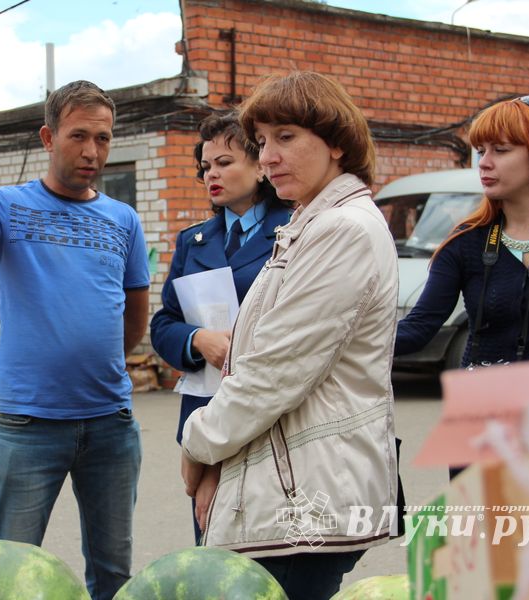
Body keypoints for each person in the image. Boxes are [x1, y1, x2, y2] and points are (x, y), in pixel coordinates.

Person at [0, 80, 150, 600]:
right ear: (48, 137)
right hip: (27, 427)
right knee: (8, 575)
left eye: (104, 139)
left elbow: (134, 317)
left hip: (110, 425)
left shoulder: (123, 220)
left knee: (113, 573)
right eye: (78, 136)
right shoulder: (7, 207)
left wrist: (100, 361)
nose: (92, 151)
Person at [179, 71, 399, 600]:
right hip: (287, 481)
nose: (269, 156)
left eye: (287, 137)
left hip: (306, 494)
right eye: (261, 142)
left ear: (338, 144)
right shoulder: (308, 224)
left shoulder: (341, 230)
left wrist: (199, 443)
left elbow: (272, 373)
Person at [149, 112, 290, 542]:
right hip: (205, 412)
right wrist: (197, 340)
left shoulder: (294, 230)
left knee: (270, 545)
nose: (212, 174)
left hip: (271, 413)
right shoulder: (194, 241)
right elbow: (164, 323)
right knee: (211, 544)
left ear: (260, 165)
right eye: (206, 166)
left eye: (225, 162)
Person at [396, 95, 529, 366]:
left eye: (500, 150)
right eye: (480, 151)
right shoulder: (466, 239)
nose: (484, 163)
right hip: (490, 404)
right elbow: (418, 328)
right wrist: (337, 340)